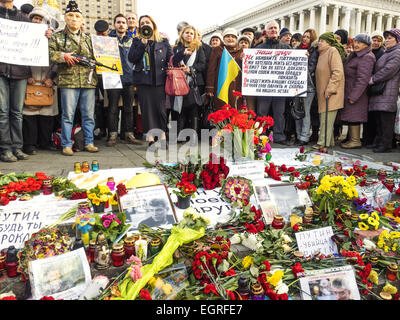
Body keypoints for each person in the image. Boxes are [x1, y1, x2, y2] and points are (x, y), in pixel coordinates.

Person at [49, 0, 99, 156]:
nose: (74, 19)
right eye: (70, 15)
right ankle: (66, 144)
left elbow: (99, 56)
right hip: (68, 80)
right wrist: (62, 56)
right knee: (67, 115)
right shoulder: (57, 37)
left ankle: (89, 142)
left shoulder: (90, 38)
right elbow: (49, 54)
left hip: (87, 80)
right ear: (65, 18)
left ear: (82, 20)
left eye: (77, 16)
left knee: (88, 114)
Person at [128, 15, 174, 149]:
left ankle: (162, 137)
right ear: (139, 27)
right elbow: (132, 58)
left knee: (161, 110)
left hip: (160, 81)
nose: (145, 25)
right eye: (142, 23)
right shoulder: (136, 41)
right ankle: (150, 138)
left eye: (147, 22)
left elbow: (171, 58)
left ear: (153, 25)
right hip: (143, 81)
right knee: (147, 110)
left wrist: (182, 55)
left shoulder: (163, 41)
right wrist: (142, 44)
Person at [22, 7, 59, 155]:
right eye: (35, 18)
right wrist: (26, 75)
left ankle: (45, 142)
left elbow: (58, 59)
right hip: (31, 80)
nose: (37, 21)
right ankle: (29, 144)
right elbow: (18, 57)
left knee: (47, 114)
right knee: (29, 114)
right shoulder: (22, 36)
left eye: (41, 19)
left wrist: (51, 77)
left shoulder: (54, 38)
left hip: (47, 81)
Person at [0, 0, 32, 162]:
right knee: (3, 112)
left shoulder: (24, 20)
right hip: (1, 70)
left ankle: (17, 147)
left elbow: (34, 44)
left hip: (20, 71)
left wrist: (44, 35)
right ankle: (5, 149)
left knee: (17, 113)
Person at [106, 14, 143, 147]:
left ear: (127, 25)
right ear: (114, 24)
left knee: (129, 109)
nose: (121, 24)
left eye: (123, 22)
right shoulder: (107, 40)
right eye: (118, 22)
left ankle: (129, 135)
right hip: (113, 78)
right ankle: (113, 135)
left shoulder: (133, 40)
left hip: (129, 78)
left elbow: (138, 58)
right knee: (113, 108)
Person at [255, 20, 291, 145]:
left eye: (275, 28)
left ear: (278, 30)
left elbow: (293, 64)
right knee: (262, 113)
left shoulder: (286, 48)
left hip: (280, 88)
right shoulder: (259, 48)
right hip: (263, 88)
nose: (273, 30)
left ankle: (279, 136)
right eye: (271, 28)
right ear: (267, 31)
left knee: (279, 113)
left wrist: (304, 56)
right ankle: (261, 135)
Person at [339, 34, 375, 149]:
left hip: (357, 93)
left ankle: (355, 141)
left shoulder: (367, 57)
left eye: (360, 43)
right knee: (351, 116)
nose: (356, 44)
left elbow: (363, 79)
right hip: (350, 90)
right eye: (356, 42)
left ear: (366, 45)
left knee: (355, 116)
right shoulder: (356, 55)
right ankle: (351, 139)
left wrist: (354, 96)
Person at [173, 25, 206, 145]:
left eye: (191, 33)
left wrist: (190, 69)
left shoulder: (199, 48)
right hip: (179, 82)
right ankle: (180, 136)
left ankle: (193, 137)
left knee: (194, 110)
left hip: (195, 83)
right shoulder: (177, 48)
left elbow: (202, 64)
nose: (189, 35)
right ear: (182, 34)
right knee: (181, 109)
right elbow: (172, 62)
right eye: (186, 33)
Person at [368, 28, 400, 153]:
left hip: (388, 90)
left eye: (390, 38)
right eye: (386, 38)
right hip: (381, 91)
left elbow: (389, 70)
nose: (387, 40)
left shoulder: (397, 53)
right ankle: (379, 141)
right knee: (379, 119)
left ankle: (386, 144)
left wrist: (373, 79)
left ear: (397, 40)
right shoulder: (388, 52)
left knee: (386, 120)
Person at [313, 32, 345, 150]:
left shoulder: (332, 51)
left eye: (322, 41)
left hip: (331, 93)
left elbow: (337, 72)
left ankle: (323, 143)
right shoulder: (322, 53)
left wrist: (330, 89)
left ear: (329, 43)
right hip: (323, 93)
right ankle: (329, 141)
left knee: (326, 119)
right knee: (325, 118)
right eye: (319, 40)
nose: (319, 43)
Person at [205, 28, 243, 110]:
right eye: (227, 36)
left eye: (233, 37)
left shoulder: (241, 51)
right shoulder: (218, 50)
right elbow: (211, 70)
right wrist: (210, 88)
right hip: (221, 86)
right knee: (222, 110)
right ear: (223, 39)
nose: (230, 39)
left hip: (237, 86)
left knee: (236, 110)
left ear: (236, 39)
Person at [294, 28, 319, 146]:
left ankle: (304, 136)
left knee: (306, 112)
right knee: (297, 111)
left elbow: (311, 67)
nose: (305, 38)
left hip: (308, 86)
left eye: (308, 37)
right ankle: (298, 135)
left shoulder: (314, 51)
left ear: (312, 39)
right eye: (304, 36)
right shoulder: (297, 50)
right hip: (295, 85)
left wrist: (306, 58)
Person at [364, 31, 385, 147]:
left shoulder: (381, 53)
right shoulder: (369, 51)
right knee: (368, 115)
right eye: (374, 40)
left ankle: (371, 140)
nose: (376, 43)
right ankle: (367, 138)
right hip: (368, 86)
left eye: (378, 41)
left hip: (375, 86)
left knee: (373, 116)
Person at [93, 19, 110, 141]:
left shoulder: (112, 42)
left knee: (109, 105)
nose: (101, 36)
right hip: (96, 77)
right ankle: (101, 129)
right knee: (98, 105)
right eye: (99, 34)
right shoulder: (92, 41)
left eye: (103, 33)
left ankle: (110, 130)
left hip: (109, 76)